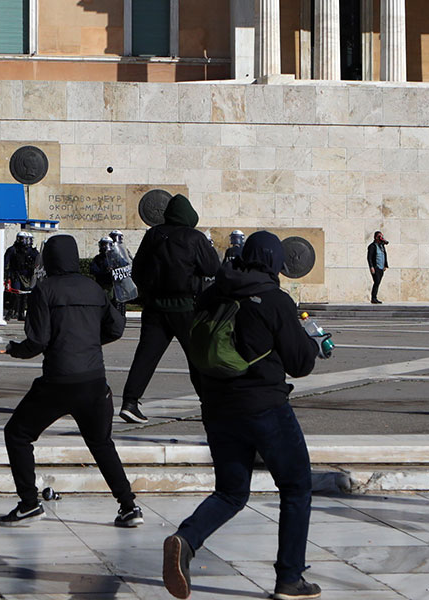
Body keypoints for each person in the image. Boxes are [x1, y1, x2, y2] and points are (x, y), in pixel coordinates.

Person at [162, 231, 321, 600]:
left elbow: (196, 354)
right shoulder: (273, 299)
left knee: (231, 492)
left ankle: (185, 540)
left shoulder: (211, 293)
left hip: (218, 409)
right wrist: (312, 343)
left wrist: (210, 401)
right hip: (265, 407)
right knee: (296, 488)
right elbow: (300, 363)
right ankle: (290, 578)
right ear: (274, 263)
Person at [0, 234, 143, 528]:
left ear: (49, 259)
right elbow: (116, 328)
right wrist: (89, 341)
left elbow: (37, 341)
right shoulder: (93, 288)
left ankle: (29, 503)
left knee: (17, 434)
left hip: (59, 381)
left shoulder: (45, 290)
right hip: (94, 382)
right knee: (101, 443)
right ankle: (129, 507)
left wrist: (14, 349)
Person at [121, 194, 220, 424]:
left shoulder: (154, 234)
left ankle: (130, 402)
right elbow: (212, 267)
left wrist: (149, 292)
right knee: (197, 358)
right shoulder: (194, 238)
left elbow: (138, 270)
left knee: (146, 356)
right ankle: (208, 405)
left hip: (155, 307)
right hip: (185, 306)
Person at [4, 231, 39, 321]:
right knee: (16, 293)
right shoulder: (13, 249)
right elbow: (5, 262)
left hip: (27, 275)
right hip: (16, 274)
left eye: (28, 239)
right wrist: (6, 273)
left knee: (25, 294)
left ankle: (21, 313)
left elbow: (38, 260)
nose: (27, 241)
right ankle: (10, 312)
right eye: (24, 239)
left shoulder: (31, 251)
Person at [367, 231, 388, 305]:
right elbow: (369, 258)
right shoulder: (372, 246)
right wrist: (371, 267)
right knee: (376, 282)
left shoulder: (382, 246)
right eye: (379, 236)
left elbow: (384, 255)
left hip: (381, 267)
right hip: (376, 267)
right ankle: (373, 298)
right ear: (376, 237)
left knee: (378, 282)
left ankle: (374, 297)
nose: (381, 238)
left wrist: (386, 265)